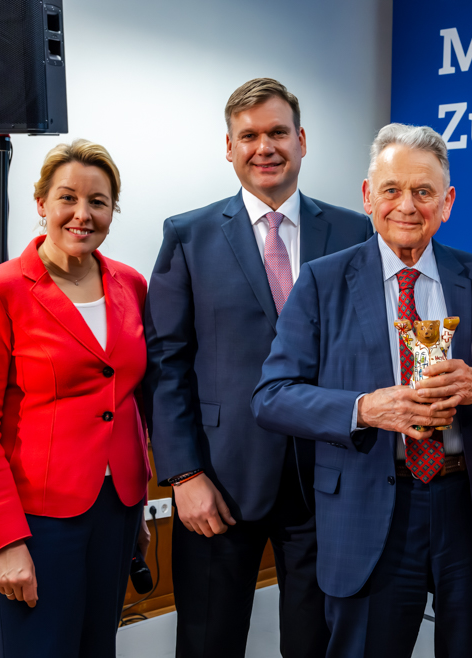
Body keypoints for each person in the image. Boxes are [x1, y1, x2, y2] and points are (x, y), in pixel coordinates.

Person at [252, 123, 472, 658]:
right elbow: (272, 395)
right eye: (391, 189)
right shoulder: (321, 282)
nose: (406, 205)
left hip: (469, 510)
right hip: (371, 509)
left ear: (447, 201)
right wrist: (364, 408)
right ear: (368, 197)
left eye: (423, 191)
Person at [143, 78, 372, 658]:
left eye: (276, 133)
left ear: (301, 140)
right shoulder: (187, 236)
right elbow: (165, 363)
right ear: (229, 147)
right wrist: (183, 477)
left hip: (328, 476)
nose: (263, 147)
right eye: (249, 136)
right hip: (218, 481)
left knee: (316, 644)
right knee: (207, 643)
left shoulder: (353, 232)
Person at [0, 139, 151, 657]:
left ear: (112, 210)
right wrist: (4, 541)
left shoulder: (131, 284)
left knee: (95, 647)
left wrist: (140, 505)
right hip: (36, 519)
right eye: (67, 198)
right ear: (41, 204)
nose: (82, 214)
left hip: (116, 507)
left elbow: (128, 399)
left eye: (98, 202)